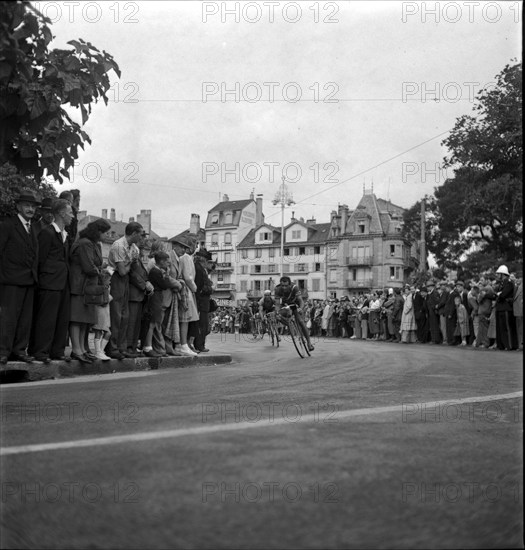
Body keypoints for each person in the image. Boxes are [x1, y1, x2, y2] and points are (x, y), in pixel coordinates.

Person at [29, 199, 74, 363]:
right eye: (70, 213)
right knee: (46, 317)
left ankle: (57, 350)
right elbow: (40, 259)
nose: (72, 216)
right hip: (49, 282)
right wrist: (43, 280)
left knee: (61, 317)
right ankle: (41, 351)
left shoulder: (65, 235)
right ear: (61, 213)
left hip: (62, 282)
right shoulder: (47, 233)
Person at [0, 191, 40, 364]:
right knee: (8, 318)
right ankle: (3, 351)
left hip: (29, 279)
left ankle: (19, 350)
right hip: (10, 279)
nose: (30, 209)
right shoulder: (8, 225)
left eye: (33, 207)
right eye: (27, 206)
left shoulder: (34, 228)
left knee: (25, 319)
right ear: (18, 207)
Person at [69, 218, 111, 363]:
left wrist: (98, 269)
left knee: (84, 320)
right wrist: (101, 271)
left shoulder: (92, 243)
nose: (106, 236)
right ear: (97, 232)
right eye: (105, 233)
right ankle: (76, 349)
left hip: (86, 286)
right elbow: (88, 266)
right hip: (80, 285)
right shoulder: (85, 243)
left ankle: (82, 349)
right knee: (77, 318)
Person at [106, 221, 144, 359]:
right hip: (116, 279)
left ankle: (121, 347)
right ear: (133, 233)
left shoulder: (133, 247)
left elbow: (130, 268)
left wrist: (129, 264)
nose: (141, 237)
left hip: (126, 281)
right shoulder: (118, 245)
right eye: (140, 234)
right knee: (116, 315)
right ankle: (112, 347)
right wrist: (130, 263)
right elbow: (122, 271)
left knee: (125, 316)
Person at [170, 236, 199, 356]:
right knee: (185, 318)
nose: (196, 247)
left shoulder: (184, 257)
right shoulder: (186, 258)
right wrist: (194, 288)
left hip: (184, 287)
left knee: (184, 318)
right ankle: (183, 344)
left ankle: (182, 344)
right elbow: (188, 276)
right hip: (186, 289)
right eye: (194, 244)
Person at [127, 231, 153, 355]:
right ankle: (129, 347)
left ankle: (133, 347)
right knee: (132, 322)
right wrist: (144, 284)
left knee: (136, 323)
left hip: (139, 294)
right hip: (133, 293)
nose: (144, 239)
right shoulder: (133, 252)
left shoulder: (138, 254)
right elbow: (132, 273)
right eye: (142, 237)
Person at [274, 276, 314, 351]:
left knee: (301, 321)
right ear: (280, 284)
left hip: (296, 304)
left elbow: (301, 300)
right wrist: (277, 312)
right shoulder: (277, 289)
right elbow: (277, 304)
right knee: (277, 316)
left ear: (289, 284)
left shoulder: (294, 287)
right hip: (286, 305)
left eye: (286, 286)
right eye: (282, 286)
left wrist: (300, 308)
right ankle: (289, 324)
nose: (284, 287)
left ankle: (309, 343)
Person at [193, 248, 214, 352]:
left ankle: (200, 344)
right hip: (202, 301)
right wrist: (210, 289)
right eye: (207, 261)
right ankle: (199, 345)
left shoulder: (201, 269)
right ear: (203, 260)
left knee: (204, 325)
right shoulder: (199, 269)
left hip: (203, 301)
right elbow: (200, 286)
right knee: (202, 325)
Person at [494, 265, 517, 351]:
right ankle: (503, 345)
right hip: (501, 307)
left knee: (507, 328)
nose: (497, 275)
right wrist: (499, 294)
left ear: (502, 274)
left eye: (498, 274)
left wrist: (499, 294)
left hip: (506, 308)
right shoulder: (502, 283)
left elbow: (503, 295)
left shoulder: (509, 283)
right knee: (502, 328)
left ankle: (510, 345)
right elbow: (498, 294)